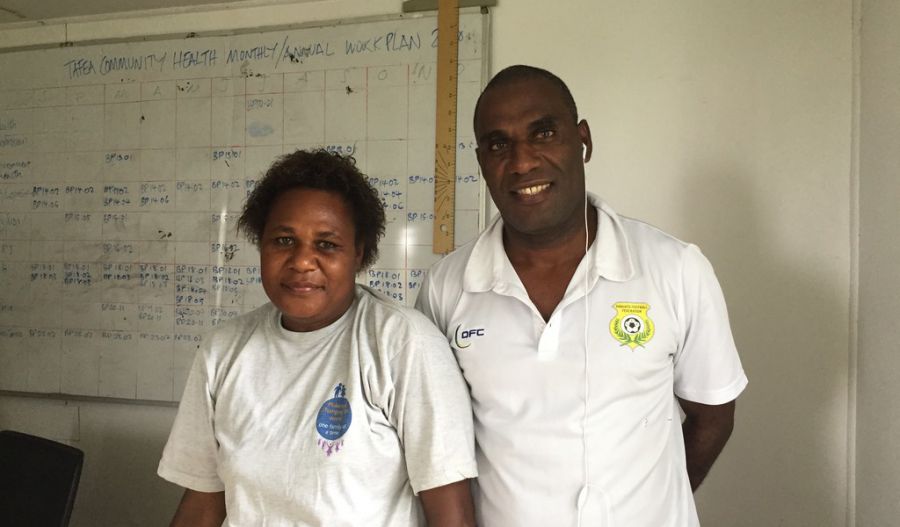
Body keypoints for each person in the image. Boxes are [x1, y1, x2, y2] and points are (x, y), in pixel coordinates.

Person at [415, 65, 748, 526]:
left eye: (544, 133)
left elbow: (713, 416)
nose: (523, 161)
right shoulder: (446, 288)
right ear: (482, 162)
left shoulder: (674, 269)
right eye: (498, 145)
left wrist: (655, 503)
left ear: (583, 140)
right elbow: (439, 444)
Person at [158, 149, 477, 527]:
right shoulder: (223, 351)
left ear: (358, 253)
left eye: (326, 244)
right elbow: (204, 502)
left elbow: (449, 514)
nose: (302, 262)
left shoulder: (402, 344)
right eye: (283, 240)